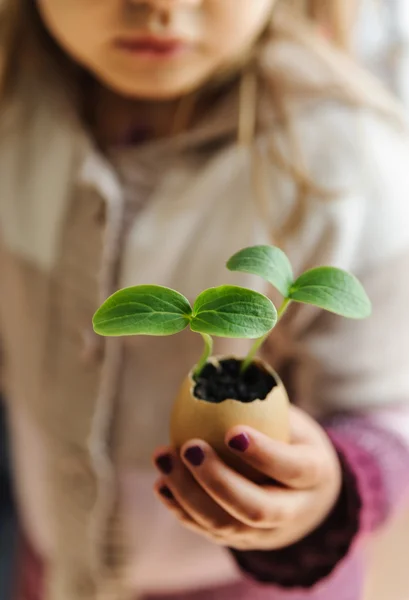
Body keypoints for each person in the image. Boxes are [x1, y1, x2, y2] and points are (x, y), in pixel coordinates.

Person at [0, 1, 409, 599]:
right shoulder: (15, 108)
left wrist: (328, 489)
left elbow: (391, 414)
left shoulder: (353, 170)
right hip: (61, 565)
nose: (160, 6)